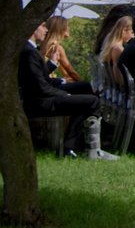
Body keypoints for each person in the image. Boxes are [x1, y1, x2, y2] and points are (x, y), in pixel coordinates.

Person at [17, 13, 112, 160]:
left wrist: (59, 79)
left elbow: (39, 78)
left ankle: (72, 146)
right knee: (92, 102)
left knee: (84, 89)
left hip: (42, 96)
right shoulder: (28, 52)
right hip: (40, 101)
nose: (46, 30)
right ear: (32, 29)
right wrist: (64, 95)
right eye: (42, 26)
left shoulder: (30, 50)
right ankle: (91, 149)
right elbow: (39, 86)